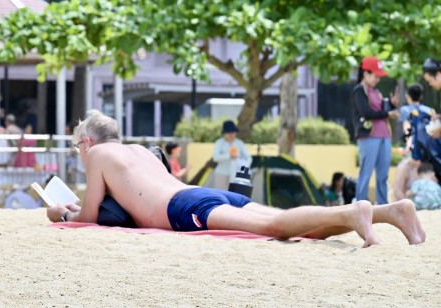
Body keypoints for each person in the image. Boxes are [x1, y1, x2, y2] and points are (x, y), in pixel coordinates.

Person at [46, 110, 425, 248]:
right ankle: (389, 211)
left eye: (79, 145)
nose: (80, 152)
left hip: (186, 209)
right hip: (200, 194)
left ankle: (353, 213)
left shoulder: (96, 154)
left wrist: (62, 212)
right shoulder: (142, 151)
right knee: (296, 225)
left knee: (276, 226)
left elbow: (91, 216)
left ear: (88, 140)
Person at [352, 56, 398, 203]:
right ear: (366, 73)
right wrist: (387, 113)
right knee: (366, 173)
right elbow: (366, 113)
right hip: (369, 136)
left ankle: (383, 206)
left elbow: (381, 110)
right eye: (375, 75)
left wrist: (391, 104)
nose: (378, 79)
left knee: (383, 175)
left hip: (384, 135)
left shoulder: (376, 92)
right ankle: (360, 204)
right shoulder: (359, 91)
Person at [211, 120, 251, 191]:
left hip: (236, 175)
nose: (231, 135)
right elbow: (215, 157)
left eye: (232, 132)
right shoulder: (219, 143)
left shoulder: (239, 143)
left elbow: (248, 158)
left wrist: (244, 167)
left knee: (234, 195)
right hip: (221, 173)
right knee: (221, 195)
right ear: (224, 133)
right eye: (228, 132)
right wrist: (229, 156)